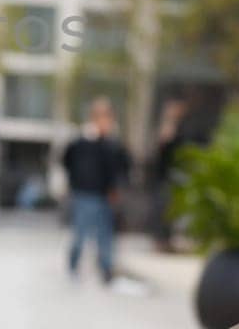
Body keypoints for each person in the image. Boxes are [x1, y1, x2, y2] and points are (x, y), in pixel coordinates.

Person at [62, 97, 142, 294]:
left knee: (105, 235)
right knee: (81, 232)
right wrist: (74, 183)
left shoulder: (112, 143)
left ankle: (106, 269)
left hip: (105, 196)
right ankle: (73, 265)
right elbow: (67, 160)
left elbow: (123, 164)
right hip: (84, 193)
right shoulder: (83, 140)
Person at [149, 98, 188, 253]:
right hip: (163, 178)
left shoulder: (182, 129)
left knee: (171, 211)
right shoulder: (164, 129)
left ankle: (168, 240)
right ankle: (161, 240)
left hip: (174, 177)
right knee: (162, 209)